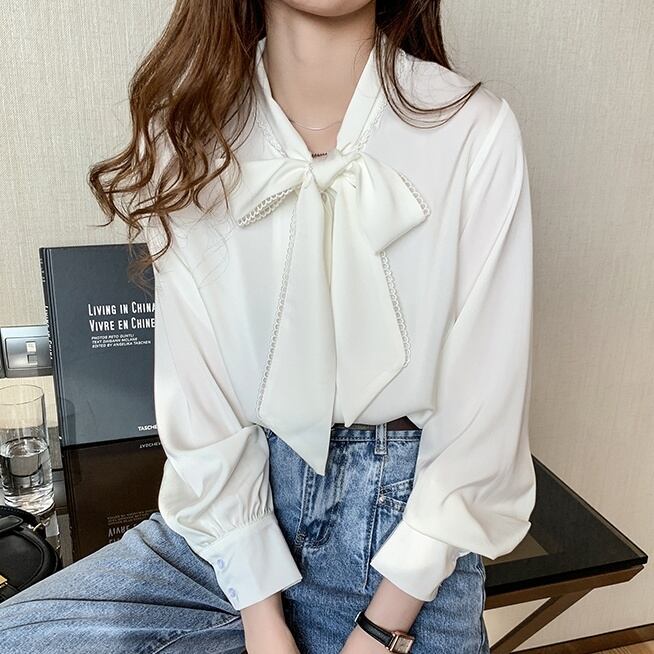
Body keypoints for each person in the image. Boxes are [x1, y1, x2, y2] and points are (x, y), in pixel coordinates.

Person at [0, 1, 536, 652]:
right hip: (227, 530)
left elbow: (484, 404)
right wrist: (261, 615)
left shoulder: (473, 127)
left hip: (405, 544)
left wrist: (382, 626)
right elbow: (201, 395)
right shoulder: (189, 132)